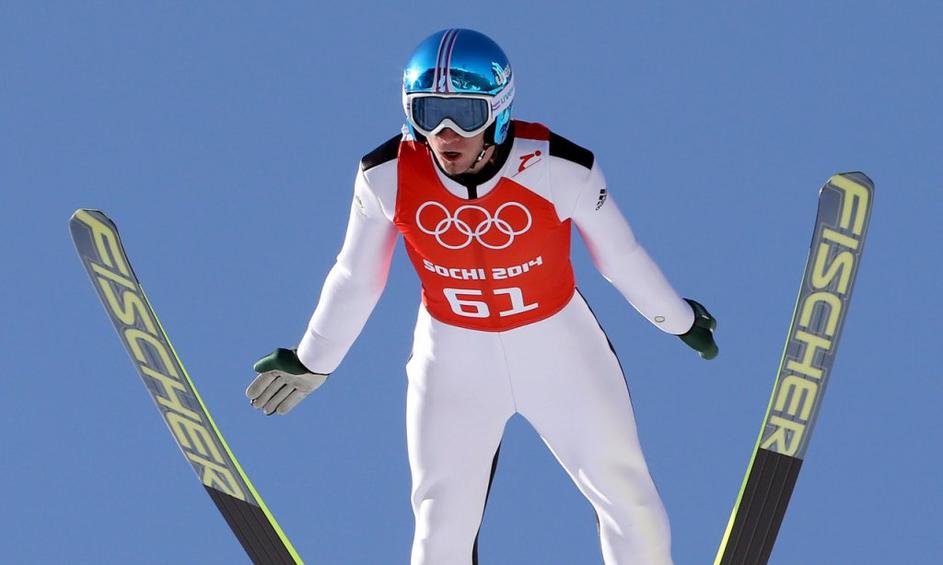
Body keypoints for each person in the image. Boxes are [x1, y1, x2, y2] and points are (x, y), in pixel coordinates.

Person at [246, 28, 718, 565]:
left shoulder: (561, 169)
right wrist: (313, 359)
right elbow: (357, 276)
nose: (446, 133)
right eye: (428, 113)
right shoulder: (386, 176)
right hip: (453, 359)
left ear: (498, 112)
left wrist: (677, 319)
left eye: (466, 115)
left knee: (627, 496)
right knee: (440, 524)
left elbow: (620, 256)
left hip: (559, 350)